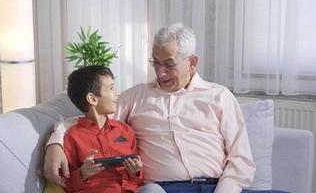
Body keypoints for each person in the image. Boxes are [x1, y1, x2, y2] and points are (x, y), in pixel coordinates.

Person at [44, 23, 284, 193]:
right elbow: (93, 119)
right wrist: (55, 142)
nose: (160, 72)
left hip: (221, 187)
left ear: (192, 62)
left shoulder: (219, 96)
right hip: (165, 189)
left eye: (168, 64)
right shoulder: (136, 96)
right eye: (155, 63)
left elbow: (241, 159)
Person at [63, 65, 144, 193]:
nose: (117, 93)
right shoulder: (72, 136)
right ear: (92, 99)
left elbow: (137, 180)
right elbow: (66, 183)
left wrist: (136, 171)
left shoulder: (125, 130)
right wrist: (82, 173)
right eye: (111, 88)